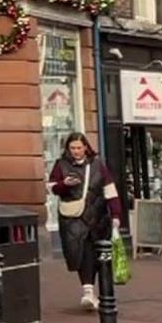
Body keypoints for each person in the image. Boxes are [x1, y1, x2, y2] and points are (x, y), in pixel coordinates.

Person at [48, 132, 124, 310]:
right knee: (81, 253)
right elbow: (52, 187)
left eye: (79, 148)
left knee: (99, 254)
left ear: (86, 148)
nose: (76, 151)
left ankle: (103, 293)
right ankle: (88, 291)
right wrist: (64, 184)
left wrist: (115, 215)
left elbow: (110, 190)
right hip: (73, 217)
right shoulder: (61, 165)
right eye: (72, 148)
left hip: (98, 216)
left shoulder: (98, 165)